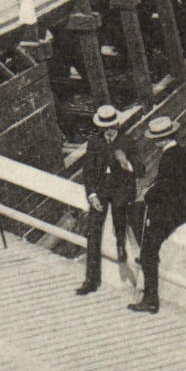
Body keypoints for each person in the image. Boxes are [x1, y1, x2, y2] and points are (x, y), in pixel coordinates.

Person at [131, 116, 186, 314]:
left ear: (161, 140)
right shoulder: (182, 154)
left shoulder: (168, 158)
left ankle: (150, 300)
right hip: (180, 211)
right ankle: (148, 262)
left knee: (148, 251)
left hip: (167, 214)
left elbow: (165, 187)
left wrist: (147, 193)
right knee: (139, 219)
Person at [78, 106, 136, 296]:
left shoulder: (127, 141)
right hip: (101, 191)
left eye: (112, 126)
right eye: (106, 128)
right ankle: (91, 280)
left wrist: (125, 162)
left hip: (120, 191)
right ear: (101, 128)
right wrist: (92, 195)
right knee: (93, 232)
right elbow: (88, 171)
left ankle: (124, 260)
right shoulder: (94, 143)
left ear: (117, 124)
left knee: (121, 229)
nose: (110, 131)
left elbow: (141, 169)